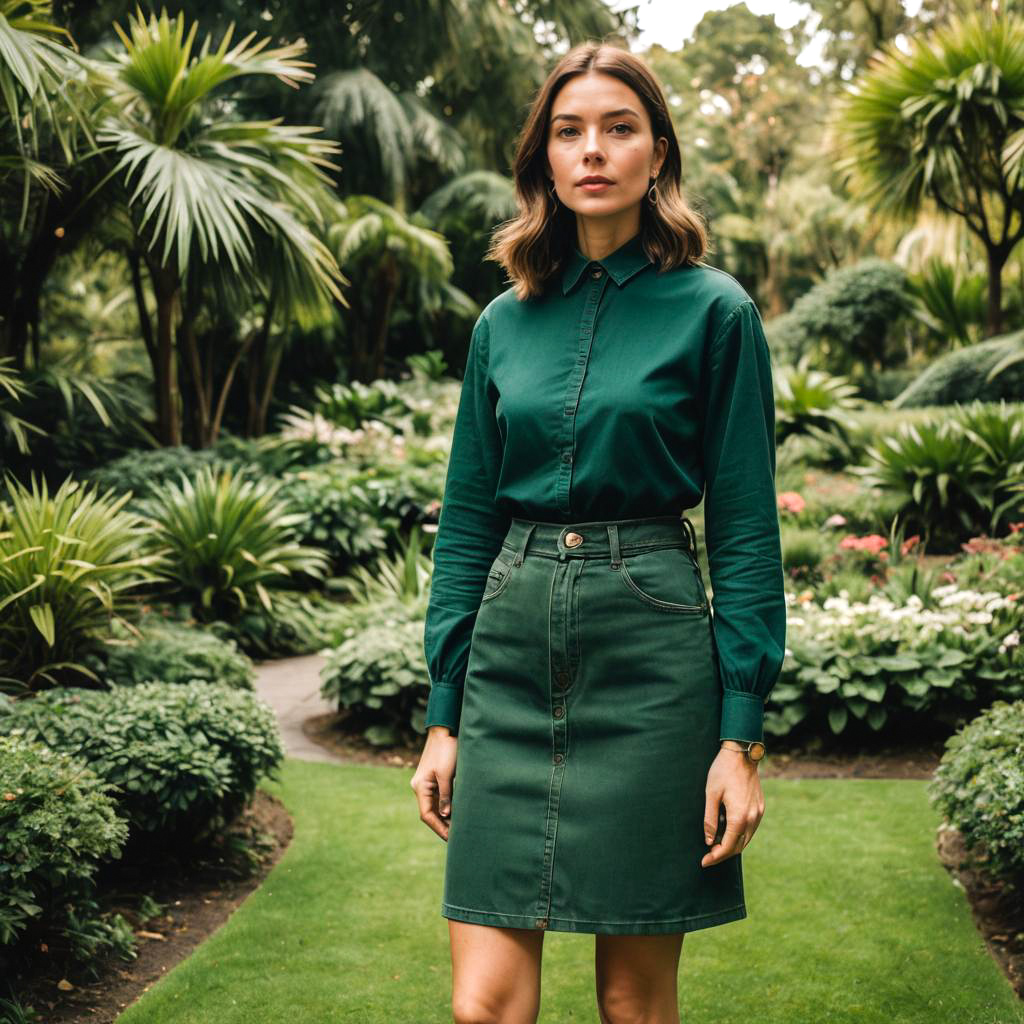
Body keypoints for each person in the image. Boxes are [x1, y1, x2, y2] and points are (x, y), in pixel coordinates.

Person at [410, 40, 786, 1024]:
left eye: (618, 129)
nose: (592, 150)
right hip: (508, 650)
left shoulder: (717, 313)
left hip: (652, 651)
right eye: (568, 131)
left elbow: (744, 528)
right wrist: (444, 711)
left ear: (656, 153)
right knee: (483, 1004)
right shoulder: (501, 322)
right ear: (542, 158)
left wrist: (737, 736)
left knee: (632, 1004)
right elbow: (466, 521)